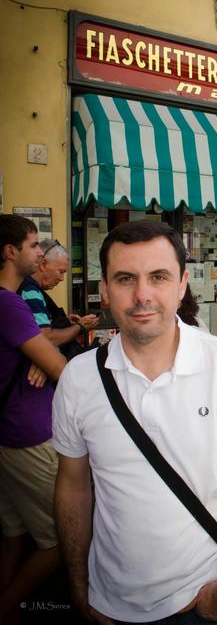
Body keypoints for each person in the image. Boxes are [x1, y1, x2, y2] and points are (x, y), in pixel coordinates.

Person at [53, 219, 217, 625]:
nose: (142, 295)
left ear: (181, 285)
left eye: (158, 277)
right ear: (105, 290)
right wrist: (79, 586)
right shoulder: (78, 378)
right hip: (111, 605)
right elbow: (73, 486)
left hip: (208, 602)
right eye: (125, 279)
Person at [0, 214, 67, 622]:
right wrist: (44, 354)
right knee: (61, 540)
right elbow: (58, 365)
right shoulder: (8, 303)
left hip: (9, 432)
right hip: (29, 434)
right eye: (33, 245)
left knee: (15, 535)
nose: (40, 253)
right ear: (10, 252)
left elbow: (41, 349)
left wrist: (38, 351)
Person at [19, 238, 99, 357]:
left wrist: (65, 321)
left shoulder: (34, 290)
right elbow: (47, 339)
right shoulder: (30, 292)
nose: (62, 278)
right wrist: (80, 326)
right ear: (44, 264)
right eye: (60, 271)